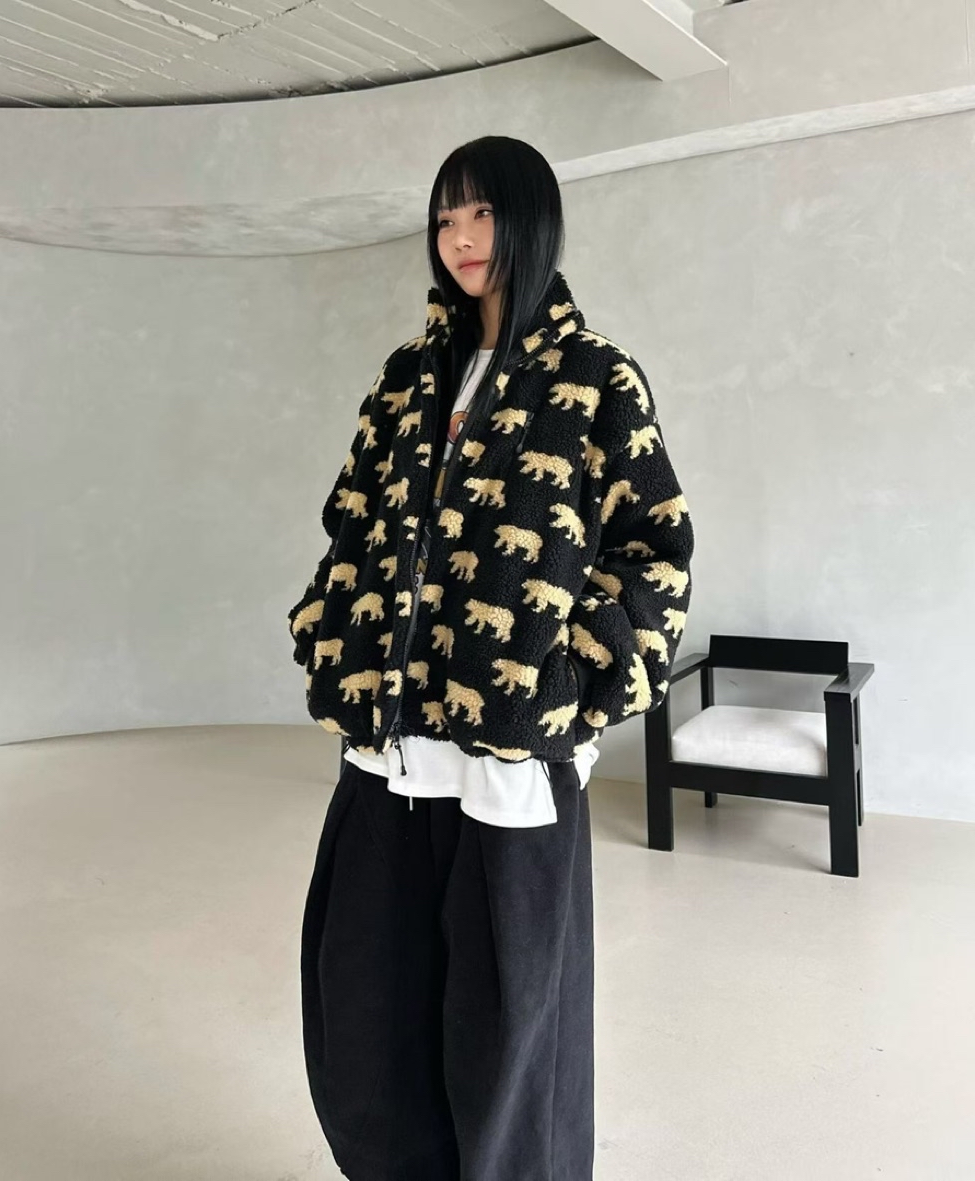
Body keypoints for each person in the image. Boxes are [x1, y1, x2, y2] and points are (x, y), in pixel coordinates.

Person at [292, 135, 695, 1180]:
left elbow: (654, 550)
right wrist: (326, 631)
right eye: (445, 218)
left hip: (509, 768)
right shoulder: (404, 378)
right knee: (363, 1024)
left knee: (511, 1044)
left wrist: (569, 687)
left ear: (528, 222)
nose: (461, 238)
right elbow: (350, 523)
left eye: (481, 214)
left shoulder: (594, 375)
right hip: (388, 754)